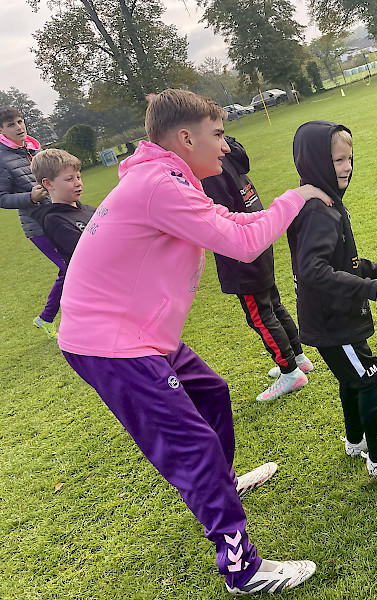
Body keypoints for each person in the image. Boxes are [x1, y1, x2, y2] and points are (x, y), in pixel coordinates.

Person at [57, 89, 331, 594]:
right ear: (186, 137)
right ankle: (242, 570)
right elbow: (244, 244)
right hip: (112, 344)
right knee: (193, 446)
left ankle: (221, 485)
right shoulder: (160, 184)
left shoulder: (166, 177)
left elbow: (232, 224)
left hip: (140, 334)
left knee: (212, 393)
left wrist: (290, 202)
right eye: (218, 135)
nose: (225, 146)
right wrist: (298, 197)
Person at [289, 120, 377, 477]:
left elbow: (342, 263)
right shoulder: (318, 211)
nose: (347, 166)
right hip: (332, 319)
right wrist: (367, 288)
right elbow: (313, 270)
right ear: (316, 162)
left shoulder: (326, 203)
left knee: (353, 378)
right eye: (338, 160)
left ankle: (357, 440)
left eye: (350, 158)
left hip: (333, 315)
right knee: (368, 375)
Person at [201, 136, 313, 402]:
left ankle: (290, 372)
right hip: (259, 236)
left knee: (261, 315)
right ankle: (298, 358)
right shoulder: (228, 152)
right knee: (273, 304)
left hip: (242, 249)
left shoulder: (211, 168)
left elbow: (217, 218)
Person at [0, 106, 63, 339]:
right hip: (37, 227)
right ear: (1, 131)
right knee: (71, 269)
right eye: (11, 125)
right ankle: (50, 317)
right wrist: (30, 197)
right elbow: (2, 197)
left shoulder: (34, 148)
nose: (19, 127)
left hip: (60, 216)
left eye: (20, 121)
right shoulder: (2, 159)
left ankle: (46, 318)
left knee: (72, 269)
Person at [30, 149, 94, 264]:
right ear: (48, 184)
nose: (78, 183)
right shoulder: (56, 221)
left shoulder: (89, 210)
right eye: (69, 179)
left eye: (78, 177)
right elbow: (90, 255)